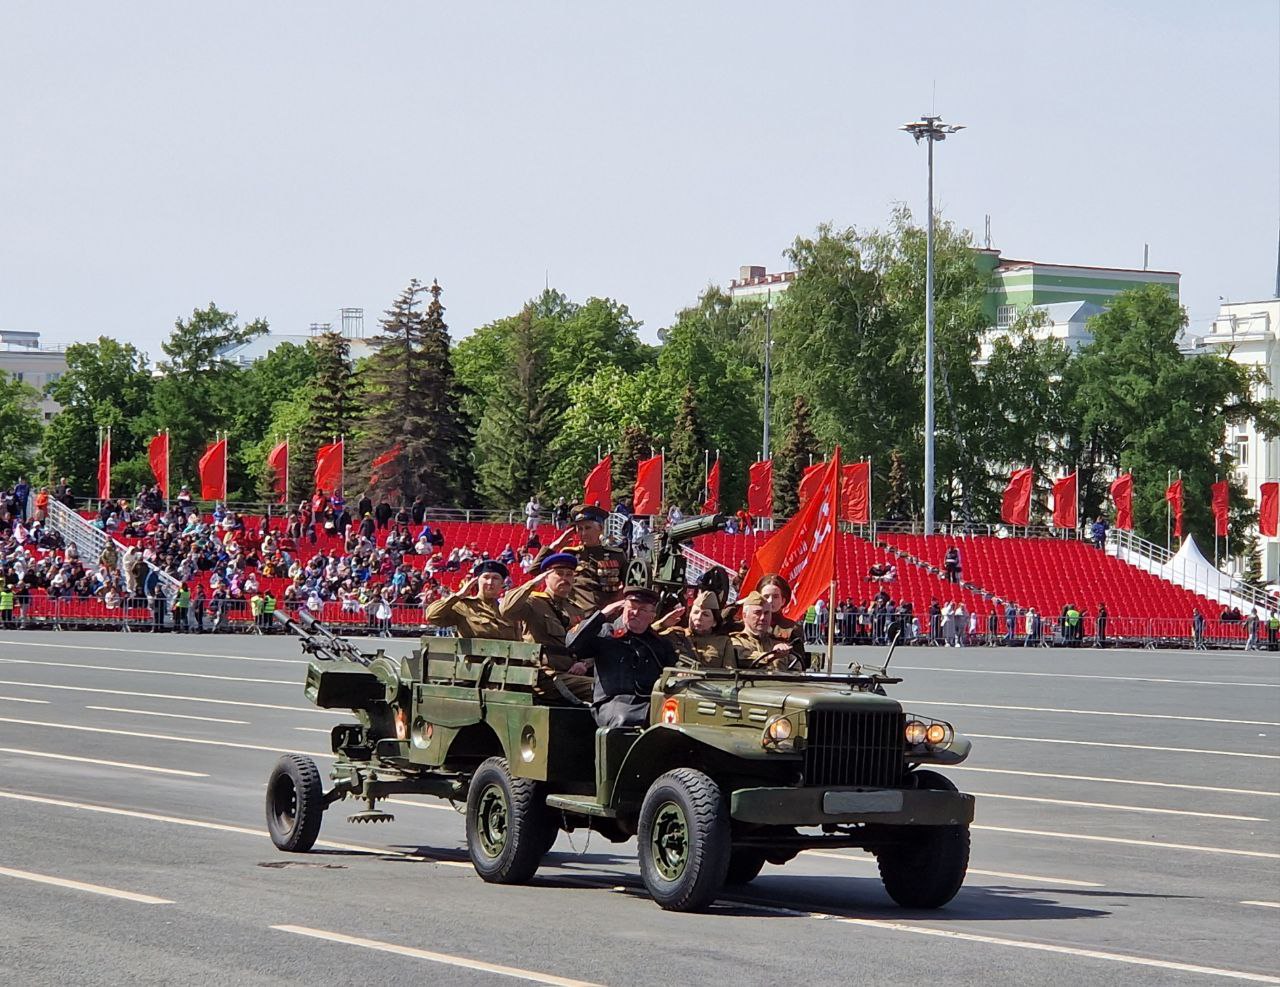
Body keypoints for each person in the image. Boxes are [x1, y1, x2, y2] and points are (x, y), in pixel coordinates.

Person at [566, 585, 677, 728]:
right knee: (627, 718)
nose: (635, 613)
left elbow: (673, 670)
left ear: (652, 617)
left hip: (650, 702)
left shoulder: (659, 643)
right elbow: (573, 644)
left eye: (642, 610)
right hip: (613, 703)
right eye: (631, 607)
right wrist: (601, 615)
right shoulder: (606, 633)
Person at [500, 552, 594, 702]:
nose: (565, 579)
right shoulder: (533, 603)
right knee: (599, 689)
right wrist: (533, 583)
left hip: (572, 674)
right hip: (544, 676)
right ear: (546, 577)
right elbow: (506, 609)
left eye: (569, 575)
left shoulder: (576, 610)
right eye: (559, 574)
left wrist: (583, 663)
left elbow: (586, 645)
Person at [536, 504, 626, 613]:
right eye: (579, 529)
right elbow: (535, 570)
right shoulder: (570, 554)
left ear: (601, 529)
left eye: (588, 528)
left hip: (609, 617)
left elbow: (628, 586)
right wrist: (555, 546)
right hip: (577, 618)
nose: (583, 533)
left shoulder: (616, 555)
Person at [424, 560, 518, 639]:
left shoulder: (508, 610)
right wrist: (458, 595)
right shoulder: (464, 606)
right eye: (486, 577)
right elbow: (432, 616)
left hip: (508, 661)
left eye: (495, 578)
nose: (490, 582)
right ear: (476, 581)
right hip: (477, 660)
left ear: (502, 583)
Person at [658, 590, 735, 668]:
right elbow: (648, 638)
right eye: (695, 612)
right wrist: (662, 624)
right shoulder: (675, 634)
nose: (698, 617)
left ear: (714, 622)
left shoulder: (723, 641)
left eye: (705, 614)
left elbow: (730, 671)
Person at [730, 591, 806, 670]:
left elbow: (797, 670)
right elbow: (744, 658)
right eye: (757, 613)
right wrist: (772, 655)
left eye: (766, 613)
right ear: (744, 615)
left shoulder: (777, 643)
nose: (763, 618)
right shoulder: (735, 642)